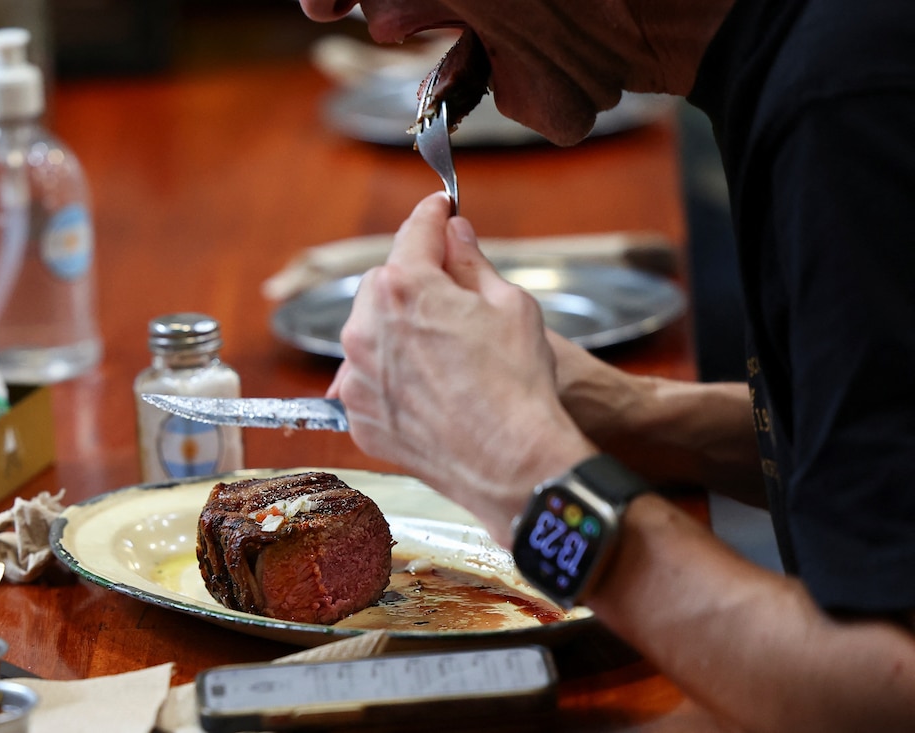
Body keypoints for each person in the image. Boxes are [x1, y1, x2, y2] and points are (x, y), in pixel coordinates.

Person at [298, 1, 915, 731]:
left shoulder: (853, 97)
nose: (323, 5)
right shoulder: (807, 51)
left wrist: (532, 476)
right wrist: (634, 415)